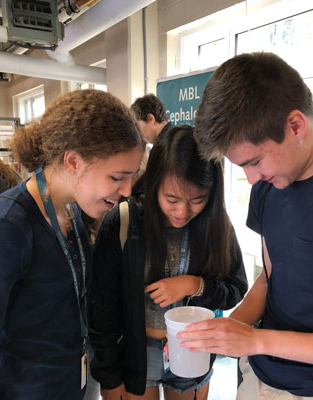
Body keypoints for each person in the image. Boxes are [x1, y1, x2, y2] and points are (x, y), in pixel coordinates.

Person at [177, 52, 313, 400]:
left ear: (295, 126)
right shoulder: (269, 185)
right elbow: (270, 278)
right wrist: (224, 333)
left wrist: (256, 339)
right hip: (258, 372)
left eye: (255, 161)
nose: (251, 179)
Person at [0, 89, 146, 400]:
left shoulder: (72, 210)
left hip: (71, 383)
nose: (127, 190)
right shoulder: (9, 226)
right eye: (117, 177)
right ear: (74, 161)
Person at [89, 125, 248, 400]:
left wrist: (194, 285)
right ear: (153, 185)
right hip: (138, 352)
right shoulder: (125, 221)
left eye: (198, 200)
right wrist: (108, 376)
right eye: (171, 198)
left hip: (192, 350)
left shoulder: (216, 225)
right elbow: (101, 308)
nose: (183, 212)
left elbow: (235, 289)